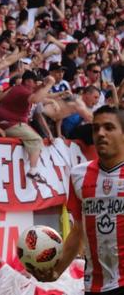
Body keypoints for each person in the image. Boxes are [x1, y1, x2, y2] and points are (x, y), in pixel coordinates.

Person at [34, 106, 124, 294]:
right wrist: (57, 270)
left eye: (109, 127)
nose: (100, 133)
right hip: (94, 284)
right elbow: (78, 230)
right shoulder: (78, 175)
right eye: (95, 128)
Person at [0, 70, 55, 183]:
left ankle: (30, 167)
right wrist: (49, 84)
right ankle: (33, 171)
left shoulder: (20, 88)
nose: (36, 84)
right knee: (37, 139)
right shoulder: (22, 90)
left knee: (34, 138)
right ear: (28, 81)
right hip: (9, 123)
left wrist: (43, 85)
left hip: (10, 122)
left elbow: (36, 92)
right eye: (34, 81)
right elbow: (36, 99)